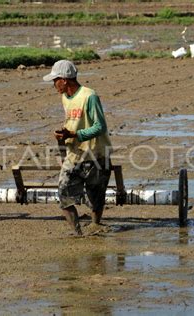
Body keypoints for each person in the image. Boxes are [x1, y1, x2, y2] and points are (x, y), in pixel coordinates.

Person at [43, 60, 112, 236]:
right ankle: (78, 233)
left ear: (64, 80)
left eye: (55, 80)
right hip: (74, 155)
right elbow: (72, 122)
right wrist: (63, 134)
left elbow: (100, 127)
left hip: (95, 155)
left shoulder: (89, 96)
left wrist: (74, 135)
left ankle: (95, 226)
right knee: (64, 195)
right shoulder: (65, 97)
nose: (53, 85)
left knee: (95, 199)